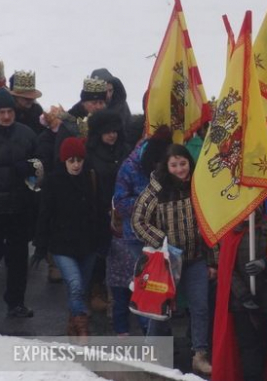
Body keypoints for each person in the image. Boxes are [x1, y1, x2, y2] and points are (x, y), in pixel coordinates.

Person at [132, 144, 214, 375]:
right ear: (166, 167)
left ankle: (199, 354)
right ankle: (152, 355)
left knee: (200, 307)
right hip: (166, 261)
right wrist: (162, 241)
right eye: (174, 165)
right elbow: (138, 220)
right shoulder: (156, 189)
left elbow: (210, 223)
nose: (180, 169)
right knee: (160, 309)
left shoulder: (199, 187)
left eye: (183, 163)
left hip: (195, 258)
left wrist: (213, 261)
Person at [32, 137, 101, 338]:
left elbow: (98, 209)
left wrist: (102, 239)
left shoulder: (91, 177)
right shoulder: (53, 181)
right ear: (64, 161)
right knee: (75, 283)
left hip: (88, 244)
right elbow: (45, 214)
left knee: (79, 288)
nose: (76, 165)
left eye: (79, 160)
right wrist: (40, 246)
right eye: (71, 160)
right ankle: (82, 328)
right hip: (62, 245)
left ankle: (73, 324)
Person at [109, 126, 171, 336]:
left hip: (163, 236)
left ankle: (158, 331)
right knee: (147, 285)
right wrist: (148, 204)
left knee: (161, 285)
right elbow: (120, 202)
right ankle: (148, 331)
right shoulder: (129, 168)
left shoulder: (167, 161)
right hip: (136, 236)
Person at [0, 87, 38, 318]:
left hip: (19, 208)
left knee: (19, 261)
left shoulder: (27, 134)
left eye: (9, 111)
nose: (5, 116)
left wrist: (31, 168)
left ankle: (16, 303)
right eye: (0, 111)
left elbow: (40, 170)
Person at [85, 109, 131, 311]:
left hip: (123, 210)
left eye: (115, 130)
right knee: (100, 254)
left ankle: (125, 295)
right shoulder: (90, 154)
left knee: (125, 255)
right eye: (107, 131)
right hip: (99, 210)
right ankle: (97, 289)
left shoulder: (125, 149)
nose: (112, 135)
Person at [228, 210, 267, 381]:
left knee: (265, 344)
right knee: (248, 346)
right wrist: (243, 295)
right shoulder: (231, 231)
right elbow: (228, 269)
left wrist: (265, 264)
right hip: (241, 302)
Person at [9, 70, 44, 135]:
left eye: (32, 98)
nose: (30, 100)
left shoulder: (37, 110)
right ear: (15, 97)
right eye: (26, 98)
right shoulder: (6, 111)